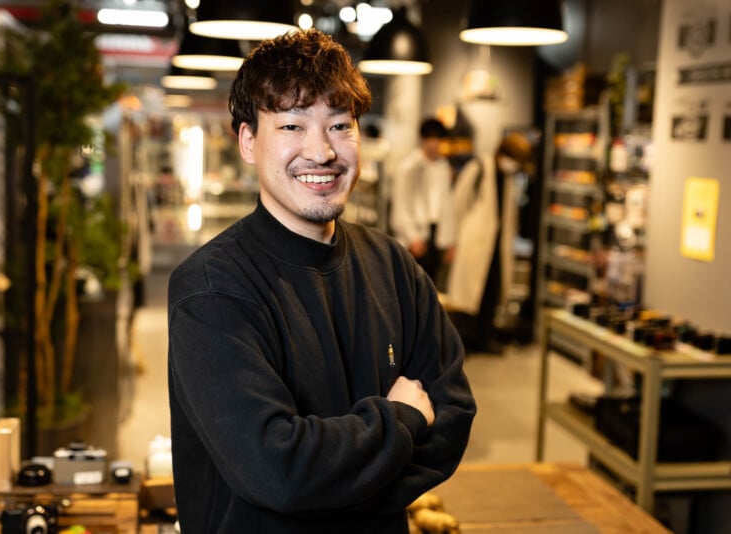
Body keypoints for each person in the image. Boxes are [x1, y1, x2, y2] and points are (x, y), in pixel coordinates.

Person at [167, 29, 477, 534]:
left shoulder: (393, 265)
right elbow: (277, 471)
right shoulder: (210, 289)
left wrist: (329, 486)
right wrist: (400, 420)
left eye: (339, 125)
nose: (322, 151)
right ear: (248, 141)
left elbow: (454, 413)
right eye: (292, 125)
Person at [440, 132, 532, 354]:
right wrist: (451, 240)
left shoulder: (508, 178)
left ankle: (484, 339)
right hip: (474, 243)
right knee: (467, 297)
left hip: (497, 245)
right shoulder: (479, 167)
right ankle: (462, 343)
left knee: (492, 291)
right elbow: (456, 204)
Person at [389, 118, 454, 286]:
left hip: (436, 234)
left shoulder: (443, 166)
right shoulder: (409, 166)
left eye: (439, 139)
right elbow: (401, 204)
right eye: (432, 139)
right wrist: (412, 236)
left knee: (431, 285)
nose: (435, 144)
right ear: (424, 140)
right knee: (410, 285)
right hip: (415, 234)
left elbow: (447, 204)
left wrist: (449, 240)